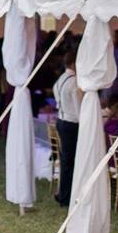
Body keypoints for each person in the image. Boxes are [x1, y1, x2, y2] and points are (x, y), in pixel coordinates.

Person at [52, 51, 80, 206]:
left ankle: (63, 193)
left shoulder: (60, 79)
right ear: (73, 64)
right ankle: (65, 196)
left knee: (65, 160)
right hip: (71, 123)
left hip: (61, 120)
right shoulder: (74, 82)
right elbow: (77, 109)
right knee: (69, 162)